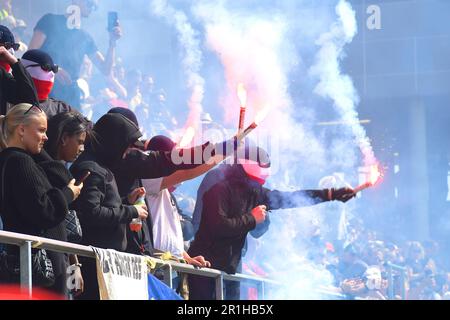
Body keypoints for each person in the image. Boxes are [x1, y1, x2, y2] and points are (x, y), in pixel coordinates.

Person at [188, 145, 356, 300]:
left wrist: (330, 195)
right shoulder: (219, 186)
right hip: (205, 265)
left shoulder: (255, 191)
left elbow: (290, 198)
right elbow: (217, 226)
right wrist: (251, 218)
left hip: (232, 268)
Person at [0, 103, 82, 289]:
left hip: (40, 267)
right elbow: (44, 211)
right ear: (22, 129)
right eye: (41, 130)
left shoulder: (16, 160)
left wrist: (74, 266)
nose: (46, 137)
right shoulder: (20, 162)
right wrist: (68, 194)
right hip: (38, 271)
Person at [70, 113, 149, 300]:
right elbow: (92, 213)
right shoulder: (90, 168)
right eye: (126, 145)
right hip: (93, 265)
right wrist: (131, 211)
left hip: (104, 264)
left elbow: (102, 204)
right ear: (114, 141)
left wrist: (125, 200)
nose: (127, 151)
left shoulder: (100, 167)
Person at [29, 0, 122, 108]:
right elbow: (31, 53)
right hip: (46, 90)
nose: (92, 8)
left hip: (71, 96)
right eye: (90, 3)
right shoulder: (50, 20)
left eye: (95, 7)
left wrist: (112, 42)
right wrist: (53, 68)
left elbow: (105, 69)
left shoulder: (85, 37)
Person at [38, 111, 91, 297]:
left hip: (62, 262)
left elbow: (66, 227)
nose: (82, 148)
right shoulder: (42, 170)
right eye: (80, 141)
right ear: (64, 139)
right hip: (46, 262)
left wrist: (75, 269)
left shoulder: (62, 174)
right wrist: (68, 194)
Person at [21, 49, 76, 118]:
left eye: (54, 69)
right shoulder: (8, 93)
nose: (51, 74)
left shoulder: (62, 109)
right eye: (46, 68)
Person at [0, 25, 38, 115]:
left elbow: (31, 105)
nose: (11, 52)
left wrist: (15, 63)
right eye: (7, 46)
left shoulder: (2, 77)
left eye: (14, 46)